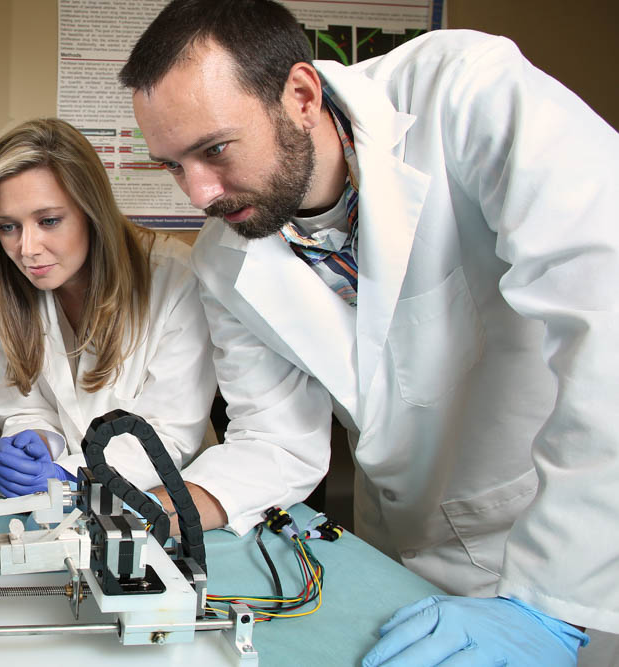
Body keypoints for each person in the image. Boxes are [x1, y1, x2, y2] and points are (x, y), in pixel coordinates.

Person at [121, 0, 619, 664]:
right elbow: (277, 438)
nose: (198, 193)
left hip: (569, 546)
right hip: (404, 557)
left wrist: (551, 602)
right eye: (172, 165)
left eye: (213, 150)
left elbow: (605, 320)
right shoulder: (223, 256)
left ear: (300, 94)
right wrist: (161, 506)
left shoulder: (467, 93)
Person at [0, 118, 216, 501]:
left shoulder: (176, 279)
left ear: (92, 210)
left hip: (161, 503)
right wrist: (33, 441)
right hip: (61, 507)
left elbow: (168, 434)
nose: (27, 248)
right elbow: (26, 406)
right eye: (8, 227)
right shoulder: (3, 291)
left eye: (49, 220)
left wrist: (68, 476)